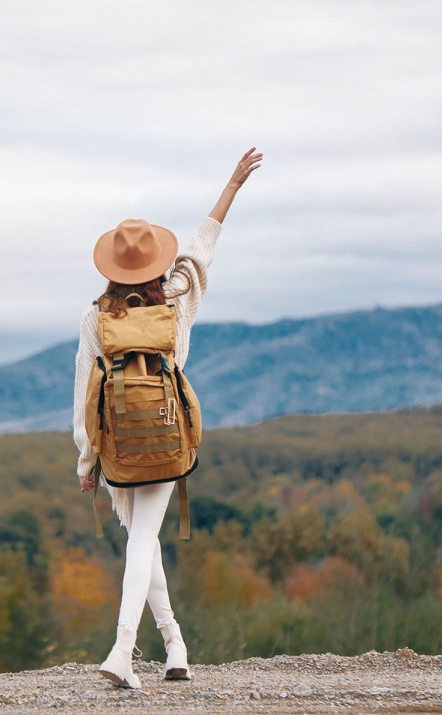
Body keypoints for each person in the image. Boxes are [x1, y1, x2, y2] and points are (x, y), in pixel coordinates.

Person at [72, 148, 263, 688]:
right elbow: (204, 244)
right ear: (157, 262)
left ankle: (125, 652)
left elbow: (85, 394)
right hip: (165, 439)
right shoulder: (180, 298)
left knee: (139, 539)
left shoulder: (95, 316)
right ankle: (173, 646)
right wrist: (231, 186)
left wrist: (87, 461)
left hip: (118, 449)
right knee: (145, 540)